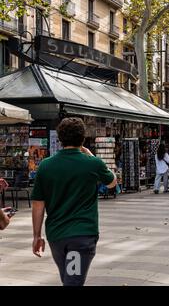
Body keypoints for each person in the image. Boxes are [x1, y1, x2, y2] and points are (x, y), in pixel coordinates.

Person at [31, 117, 117, 286]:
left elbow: (38, 204)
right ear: (83, 138)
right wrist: (92, 156)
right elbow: (112, 182)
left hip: (56, 236)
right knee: (72, 282)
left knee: (69, 279)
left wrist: (36, 235)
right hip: (81, 235)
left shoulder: (46, 166)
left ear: (60, 139)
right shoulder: (92, 163)